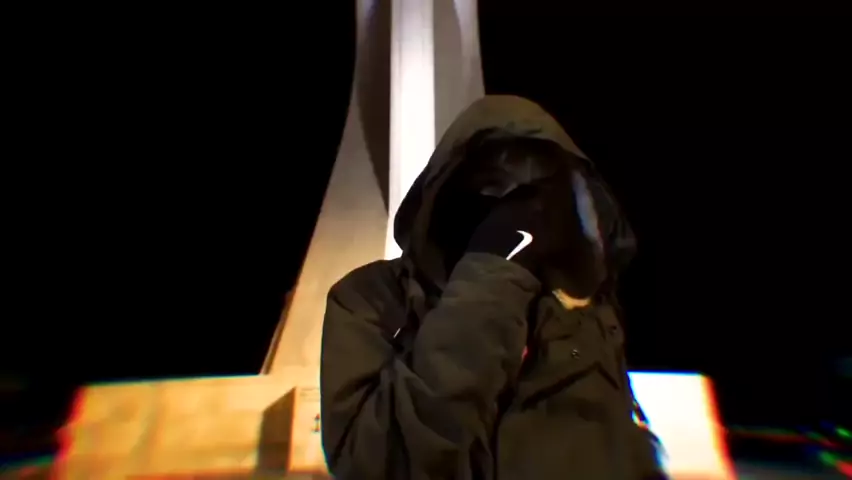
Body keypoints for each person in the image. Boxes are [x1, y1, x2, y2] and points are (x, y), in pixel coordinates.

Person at [320, 96, 665, 479]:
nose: (524, 211)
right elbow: (376, 464)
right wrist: (493, 271)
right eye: (495, 185)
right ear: (449, 192)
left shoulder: (584, 310)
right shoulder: (373, 300)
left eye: (539, 193)